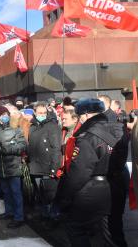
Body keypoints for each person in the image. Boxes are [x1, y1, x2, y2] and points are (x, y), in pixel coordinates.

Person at [55, 99, 116, 247]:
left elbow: (79, 173)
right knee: (108, 233)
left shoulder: (87, 138)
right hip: (110, 185)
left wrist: (63, 197)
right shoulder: (113, 129)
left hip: (89, 190)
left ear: (87, 115)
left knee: (75, 227)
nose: (80, 119)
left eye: (81, 115)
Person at [0, 106, 27, 228]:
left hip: (13, 167)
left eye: (6, 114)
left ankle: (19, 217)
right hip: (1, 167)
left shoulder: (16, 130)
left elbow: (22, 146)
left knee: (16, 193)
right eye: (2, 115)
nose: (5, 117)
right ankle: (9, 212)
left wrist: (6, 149)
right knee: (6, 192)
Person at [98, 95, 129, 247]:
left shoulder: (111, 125)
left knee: (111, 223)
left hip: (111, 179)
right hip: (112, 178)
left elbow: (118, 154)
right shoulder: (106, 123)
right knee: (113, 223)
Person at [28, 101, 61, 219]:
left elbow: (56, 148)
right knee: (41, 195)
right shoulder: (32, 126)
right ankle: (45, 216)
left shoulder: (52, 126)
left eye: (44, 112)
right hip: (35, 167)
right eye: (39, 112)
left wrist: (54, 168)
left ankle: (52, 218)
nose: (42, 114)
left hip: (48, 167)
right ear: (35, 113)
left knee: (49, 196)